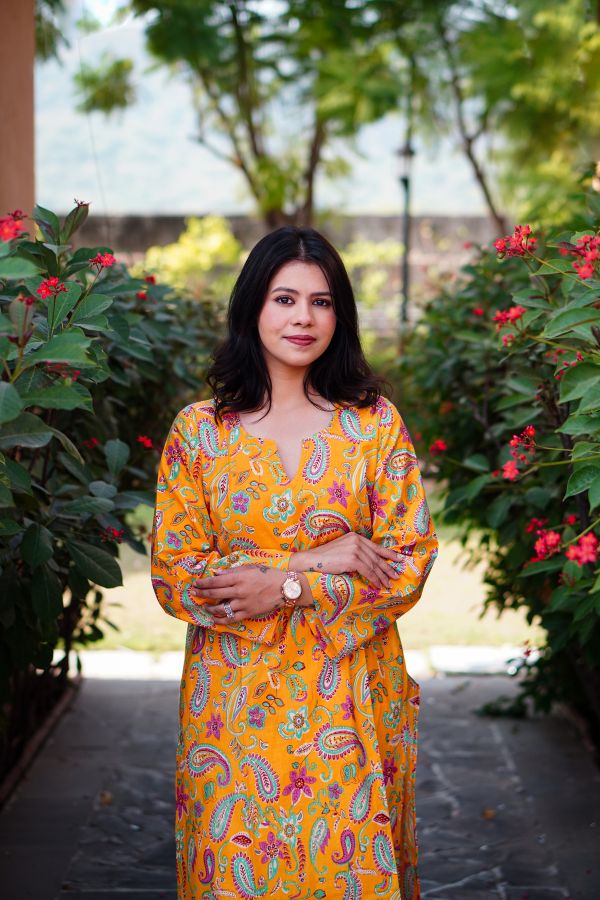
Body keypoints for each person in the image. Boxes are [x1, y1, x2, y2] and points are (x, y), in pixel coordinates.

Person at [151, 226, 439, 900]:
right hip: (233, 711)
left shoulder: (373, 425)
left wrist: (287, 588)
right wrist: (308, 561)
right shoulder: (200, 433)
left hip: (350, 700)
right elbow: (176, 576)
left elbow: (408, 561)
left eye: (322, 301)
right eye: (285, 299)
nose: (303, 318)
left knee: (350, 872)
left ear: (341, 315)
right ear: (253, 306)